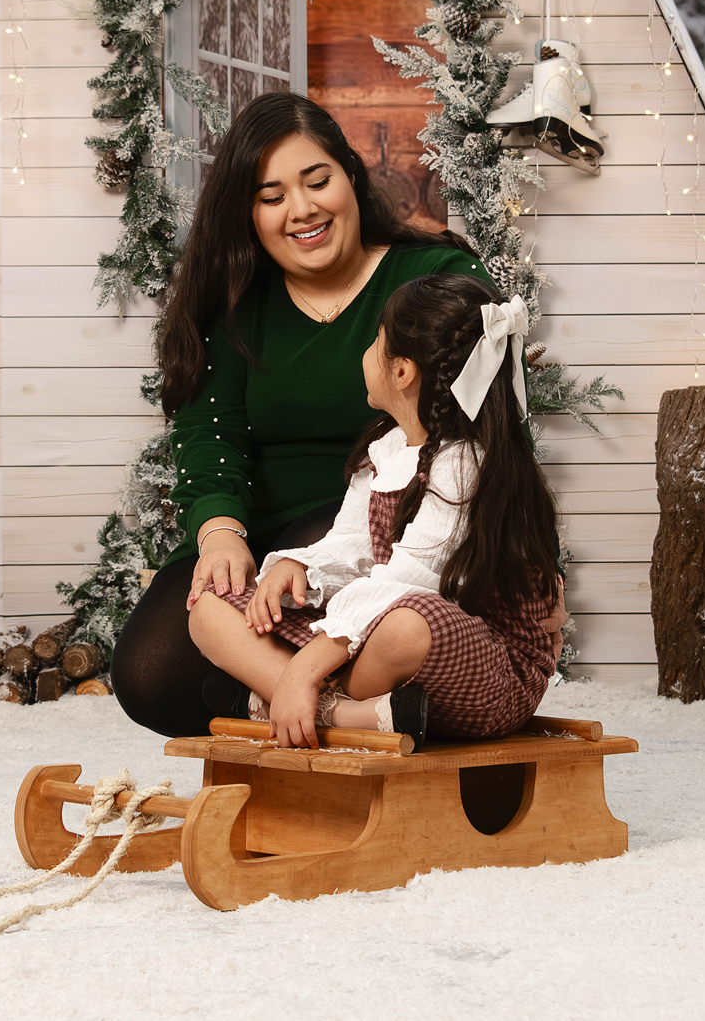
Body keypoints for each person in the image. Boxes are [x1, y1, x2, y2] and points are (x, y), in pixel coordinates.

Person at [111, 92, 488, 738]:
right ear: (247, 212)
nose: (302, 209)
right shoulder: (235, 298)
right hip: (255, 528)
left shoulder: (434, 278)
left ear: (350, 176)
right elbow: (209, 433)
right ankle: (343, 714)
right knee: (149, 673)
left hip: (377, 529)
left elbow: (494, 422)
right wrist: (220, 533)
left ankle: (287, 695)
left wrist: (530, 557)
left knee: (327, 553)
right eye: (272, 195)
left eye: (317, 181)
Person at [187, 273, 566, 747]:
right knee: (209, 608)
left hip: (487, 664)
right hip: (382, 634)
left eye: (375, 342)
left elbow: (407, 583)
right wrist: (298, 567)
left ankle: (285, 693)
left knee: (405, 625)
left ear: (401, 371)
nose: (365, 353)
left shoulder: (464, 465)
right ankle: (350, 715)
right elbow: (353, 544)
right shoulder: (387, 449)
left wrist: (304, 670)